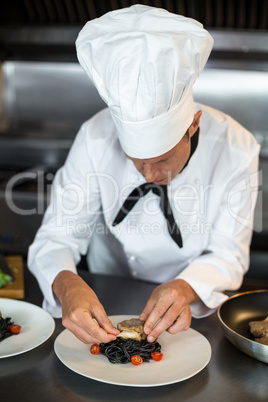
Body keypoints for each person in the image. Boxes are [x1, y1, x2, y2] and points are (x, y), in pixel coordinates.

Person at [28, 5, 260, 345]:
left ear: (192, 125)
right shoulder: (95, 136)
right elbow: (57, 236)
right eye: (136, 161)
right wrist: (67, 284)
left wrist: (186, 287)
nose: (150, 175)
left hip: (191, 309)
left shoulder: (236, 147)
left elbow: (229, 253)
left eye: (163, 158)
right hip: (105, 291)